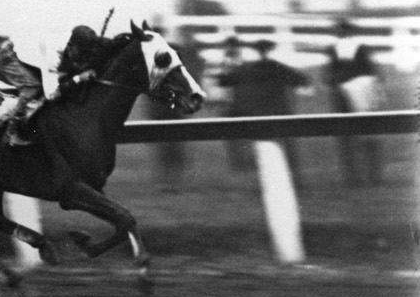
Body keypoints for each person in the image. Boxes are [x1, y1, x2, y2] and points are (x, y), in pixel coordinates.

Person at [0, 25, 105, 147]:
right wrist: (79, 78)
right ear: (71, 46)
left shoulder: (71, 43)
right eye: (82, 52)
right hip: (8, 55)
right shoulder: (54, 56)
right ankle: (10, 132)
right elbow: (51, 94)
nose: (83, 57)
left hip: (25, 52)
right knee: (33, 87)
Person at [218, 38, 308, 185]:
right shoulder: (278, 67)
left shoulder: (246, 69)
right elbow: (301, 80)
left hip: (256, 114)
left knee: (261, 148)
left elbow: (223, 81)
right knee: (287, 148)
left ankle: (263, 181)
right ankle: (294, 180)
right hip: (279, 112)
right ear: (270, 50)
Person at [325, 19, 385, 186]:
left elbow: (372, 73)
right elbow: (330, 75)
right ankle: (355, 177)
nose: (342, 34)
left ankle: (371, 176)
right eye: (340, 32)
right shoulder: (334, 50)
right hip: (344, 96)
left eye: (343, 31)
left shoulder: (359, 49)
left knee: (363, 134)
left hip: (358, 94)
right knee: (350, 135)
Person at [147, 26, 206, 190]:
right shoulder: (150, 56)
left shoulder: (173, 52)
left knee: (173, 143)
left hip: (171, 104)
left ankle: (174, 179)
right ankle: (167, 178)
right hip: (159, 105)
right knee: (165, 143)